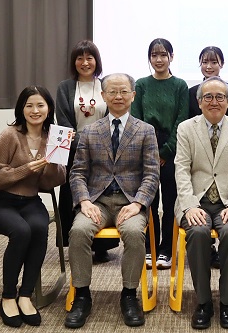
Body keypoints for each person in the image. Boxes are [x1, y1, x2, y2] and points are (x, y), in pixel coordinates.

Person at [65, 73, 160, 329]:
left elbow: (151, 173)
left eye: (124, 91)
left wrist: (139, 203)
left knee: (132, 233)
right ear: (104, 96)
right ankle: (82, 295)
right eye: (113, 92)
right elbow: (77, 172)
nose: (118, 96)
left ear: (133, 95)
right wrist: (84, 201)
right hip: (98, 200)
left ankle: (129, 295)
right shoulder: (89, 131)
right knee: (79, 231)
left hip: (131, 201)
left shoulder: (145, 131)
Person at [0, 86, 66, 328]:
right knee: (21, 231)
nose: (35, 110)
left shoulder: (56, 136)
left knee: (40, 228)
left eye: (40, 105)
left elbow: (54, 182)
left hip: (30, 200)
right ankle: (8, 296)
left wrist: (51, 166)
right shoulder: (9, 135)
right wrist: (25, 169)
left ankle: (26, 295)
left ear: (49, 108)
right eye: (29, 105)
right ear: (21, 108)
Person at [174, 76, 228, 329]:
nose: (214, 101)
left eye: (220, 97)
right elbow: (182, 170)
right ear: (199, 102)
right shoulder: (186, 128)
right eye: (208, 97)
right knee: (197, 232)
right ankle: (204, 302)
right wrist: (189, 205)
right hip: (196, 200)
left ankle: (227, 302)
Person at [56, 40, 119, 263]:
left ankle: (101, 246)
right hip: (73, 151)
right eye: (80, 58)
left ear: (96, 61)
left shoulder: (105, 85)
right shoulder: (65, 87)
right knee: (72, 194)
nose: (85, 63)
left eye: (89, 58)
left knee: (101, 195)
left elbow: (111, 116)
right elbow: (63, 121)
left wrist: (98, 143)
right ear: (74, 62)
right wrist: (83, 144)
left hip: (102, 150)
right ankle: (74, 242)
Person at [132, 38, 189, 270]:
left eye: (163, 55)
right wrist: (152, 152)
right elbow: (136, 119)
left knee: (171, 201)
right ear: (149, 58)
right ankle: (149, 248)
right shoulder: (141, 84)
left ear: (171, 57)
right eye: (154, 55)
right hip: (146, 148)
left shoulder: (180, 85)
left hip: (172, 150)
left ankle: (166, 250)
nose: (158, 59)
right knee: (148, 202)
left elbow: (182, 121)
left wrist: (166, 151)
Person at [188, 46, 228, 269]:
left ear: (222, 63)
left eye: (214, 62)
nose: (209, 66)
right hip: (200, 148)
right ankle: (207, 249)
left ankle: (223, 251)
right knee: (199, 222)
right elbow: (191, 120)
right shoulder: (193, 90)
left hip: (227, 146)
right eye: (205, 62)